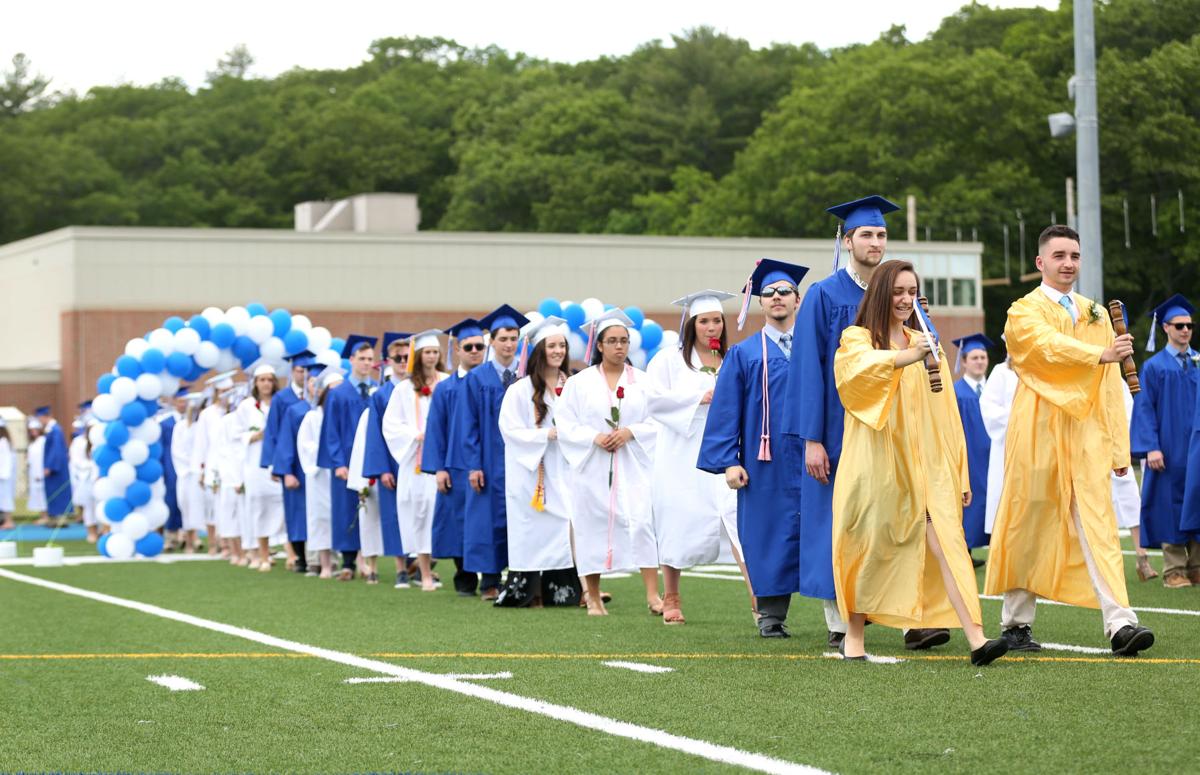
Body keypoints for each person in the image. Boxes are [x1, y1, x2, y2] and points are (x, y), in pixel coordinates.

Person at [783, 196, 949, 651]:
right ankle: (841, 622)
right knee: (843, 522)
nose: (875, 242)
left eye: (881, 235)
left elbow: (927, 357)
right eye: (866, 235)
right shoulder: (824, 294)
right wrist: (812, 439)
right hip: (840, 429)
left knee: (903, 519)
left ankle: (910, 619)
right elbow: (807, 369)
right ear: (847, 240)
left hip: (898, 431)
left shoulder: (902, 294)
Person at [985, 224, 1154, 657]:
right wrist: (1099, 353)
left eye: (1074, 256)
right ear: (1040, 262)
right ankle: (1016, 624)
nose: (1068, 264)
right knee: (1029, 523)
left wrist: (1118, 447)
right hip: (1037, 430)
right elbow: (1043, 348)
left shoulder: (1095, 312)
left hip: (1085, 434)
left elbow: (1109, 386)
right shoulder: (1023, 311)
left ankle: (1121, 623)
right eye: (1059, 255)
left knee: (1098, 524)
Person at [832, 260, 1009, 665]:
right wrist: (907, 356)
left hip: (926, 466)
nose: (906, 299)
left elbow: (946, 413)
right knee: (869, 545)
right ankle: (854, 637)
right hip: (876, 463)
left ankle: (978, 639)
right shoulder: (857, 339)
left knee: (947, 543)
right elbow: (854, 377)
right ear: (880, 294)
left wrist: (958, 471)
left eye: (911, 292)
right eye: (897, 291)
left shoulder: (925, 341)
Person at [699, 260, 806, 637]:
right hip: (767, 460)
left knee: (824, 531)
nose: (777, 298)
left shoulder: (817, 348)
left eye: (784, 292)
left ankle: (839, 620)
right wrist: (729, 462)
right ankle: (771, 616)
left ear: (798, 299)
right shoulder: (744, 354)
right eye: (769, 293)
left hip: (814, 455)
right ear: (761, 303)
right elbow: (725, 411)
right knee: (767, 531)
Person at [648, 290, 753, 625]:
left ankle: (758, 599)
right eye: (704, 321)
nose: (712, 327)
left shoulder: (732, 359)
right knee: (677, 519)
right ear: (691, 324)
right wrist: (699, 397)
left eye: (717, 321)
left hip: (723, 451)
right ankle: (672, 595)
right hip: (681, 453)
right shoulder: (668, 360)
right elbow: (652, 401)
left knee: (737, 519)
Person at [558, 308, 660, 616]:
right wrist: (594, 437)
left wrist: (630, 432)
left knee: (642, 522)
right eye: (612, 341)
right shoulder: (580, 383)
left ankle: (653, 595)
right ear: (599, 345)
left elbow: (658, 420)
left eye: (624, 341)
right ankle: (593, 596)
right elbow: (564, 422)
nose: (620, 347)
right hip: (592, 465)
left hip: (633, 464)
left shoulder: (644, 382)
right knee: (591, 526)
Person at [496, 317, 579, 607]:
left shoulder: (572, 385)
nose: (558, 351)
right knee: (531, 529)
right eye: (552, 345)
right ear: (539, 350)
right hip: (531, 473)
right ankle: (529, 592)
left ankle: (565, 590)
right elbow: (510, 430)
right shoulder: (519, 390)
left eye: (562, 345)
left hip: (565, 468)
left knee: (566, 523)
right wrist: (547, 435)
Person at [449, 305, 529, 601]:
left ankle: (520, 576)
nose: (509, 344)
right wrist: (472, 466)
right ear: (491, 342)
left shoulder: (524, 376)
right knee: (487, 520)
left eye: (513, 338)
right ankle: (490, 582)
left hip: (521, 460)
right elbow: (466, 426)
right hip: (487, 461)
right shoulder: (476, 379)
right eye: (503, 338)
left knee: (520, 517)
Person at [1131, 294, 1200, 587]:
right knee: (1168, 503)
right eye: (1179, 325)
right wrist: (1151, 447)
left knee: (1197, 500)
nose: (1185, 330)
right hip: (1168, 447)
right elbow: (1144, 407)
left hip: (1196, 448)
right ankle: (1174, 569)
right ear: (1166, 329)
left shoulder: (1198, 362)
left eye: (1189, 325)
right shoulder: (1155, 367)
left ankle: (1196, 566)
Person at [422, 318, 489, 596]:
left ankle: (492, 579)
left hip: (488, 464)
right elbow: (435, 430)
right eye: (469, 346)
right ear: (457, 350)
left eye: (479, 346)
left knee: (487, 521)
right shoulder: (446, 388)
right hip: (456, 465)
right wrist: (439, 468)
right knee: (458, 523)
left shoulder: (493, 383)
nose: (475, 351)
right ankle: (464, 577)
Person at [383, 330, 451, 591]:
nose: (432, 357)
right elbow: (391, 425)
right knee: (421, 513)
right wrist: (416, 436)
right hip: (417, 462)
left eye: (435, 352)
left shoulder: (447, 383)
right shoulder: (404, 388)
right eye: (427, 352)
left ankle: (446, 568)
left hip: (445, 458)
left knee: (444, 513)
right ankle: (423, 572)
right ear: (419, 356)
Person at [318, 334, 379, 581]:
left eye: (370, 359)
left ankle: (368, 557)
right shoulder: (339, 393)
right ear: (351, 360)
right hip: (345, 460)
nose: (366, 363)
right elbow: (331, 431)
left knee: (370, 508)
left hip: (370, 459)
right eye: (362, 358)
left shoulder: (377, 390)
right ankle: (348, 562)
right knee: (346, 509)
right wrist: (338, 463)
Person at [362, 331, 413, 588]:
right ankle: (401, 567)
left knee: (422, 511)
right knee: (394, 515)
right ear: (388, 361)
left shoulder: (422, 389)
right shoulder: (381, 395)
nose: (403, 361)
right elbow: (375, 436)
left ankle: (422, 562)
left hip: (419, 462)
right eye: (398, 357)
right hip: (392, 464)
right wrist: (381, 470)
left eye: (407, 356)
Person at [236, 363, 289, 572]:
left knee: (282, 505)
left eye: (269, 380)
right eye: (262, 380)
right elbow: (236, 434)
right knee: (259, 507)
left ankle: (289, 552)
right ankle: (261, 553)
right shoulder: (247, 406)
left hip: (277, 461)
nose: (266, 384)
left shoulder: (281, 402)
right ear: (255, 383)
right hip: (255, 462)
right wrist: (255, 436)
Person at [261, 351, 311, 568]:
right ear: (292, 372)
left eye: (307, 371)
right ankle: (299, 556)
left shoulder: (316, 396)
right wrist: (276, 465)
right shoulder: (282, 398)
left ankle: (317, 555)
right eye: (300, 371)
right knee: (295, 507)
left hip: (311, 459)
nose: (304, 375)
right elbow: (273, 432)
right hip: (290, 459)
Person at [299, 365, 345, 579]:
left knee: (345, 514)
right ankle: (325, 564)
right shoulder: (313, 417)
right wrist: (326, 453)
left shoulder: (346, 415)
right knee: (321, 518)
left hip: (341, 472)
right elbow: (305, 445)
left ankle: (351, 563)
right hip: (320, 474)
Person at [951, 334, 993, 566]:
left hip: (994, 456)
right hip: (969, 457)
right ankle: (963, 552)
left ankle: (998, 551)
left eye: (983, 357)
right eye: (974, 357)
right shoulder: (956, 392)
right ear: (964, 362)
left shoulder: (995, 391)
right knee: (968, 502)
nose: (979, 361)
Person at [196, 371, 238, 557]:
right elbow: (202, 442)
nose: (226, 395)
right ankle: (216, 543)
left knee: (231, 504)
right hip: (213, 462)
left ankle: (231, 543)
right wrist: (201, 468)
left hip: (232, 463)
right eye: (223, 391)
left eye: (229, 390)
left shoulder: (236, 412)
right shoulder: (207, 414)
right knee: (214, 505)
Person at [171, 391, 207, 553]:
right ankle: (189, 539)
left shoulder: (202, 426)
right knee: (185, 505)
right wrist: (191, 463)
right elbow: (176, 451)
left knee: (199, 506)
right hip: (185, 472)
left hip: (200, 471)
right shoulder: (179, 427)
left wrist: (200, 464)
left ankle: (197, 538)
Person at [35, 407, 72, 528]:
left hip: (57, 469)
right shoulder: (52, 429)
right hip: (56, 467)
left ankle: (60, 518)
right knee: (53, 491)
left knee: (58, 491)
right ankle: (55, 517)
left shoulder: (55, 430)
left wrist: (50, 466)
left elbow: (56, 451)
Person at [159, 390, 185, 547]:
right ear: (174, 402)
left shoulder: (193, 420)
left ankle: (185, 533)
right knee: (171, 499)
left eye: (185, 401)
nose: (183, 404)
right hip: (171, 464)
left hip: (187, 464)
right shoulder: (165, 423)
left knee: (187, 499)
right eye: (180, 401)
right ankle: (171, 534)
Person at [25, 418, 47, 522]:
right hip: (33, 472)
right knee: (37, 495)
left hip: (40, 472)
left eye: (34, 429)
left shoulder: (43, 441)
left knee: (42, 494)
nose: (33, 432)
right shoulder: (32, 443)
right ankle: (42, 515)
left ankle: (45, 516)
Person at [0, 420, 15, 530]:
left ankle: (9, 521)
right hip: (3, 475)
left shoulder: (3, 442)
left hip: (4, 476)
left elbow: (5, 461)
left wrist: (3, 474)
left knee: (6, 498)